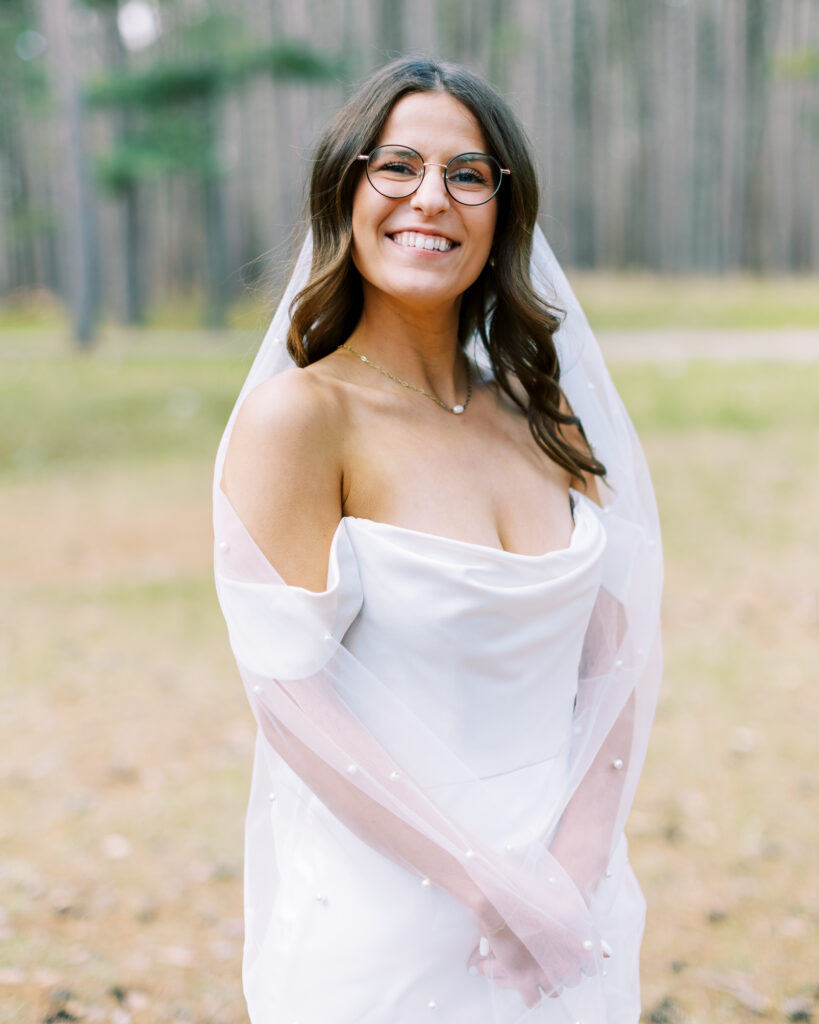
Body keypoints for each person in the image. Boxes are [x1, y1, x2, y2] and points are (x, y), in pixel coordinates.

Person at [213, 58, 663, 1024]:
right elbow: (289, 695)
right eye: (398, 166)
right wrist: (486, 883)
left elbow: (613, 655)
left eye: (468, 174)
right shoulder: (299, 419)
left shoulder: (547, 416)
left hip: (570, 903)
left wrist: (572, 868)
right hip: (393, 918)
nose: (432, 197)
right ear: (347, 188)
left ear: (503, 212)